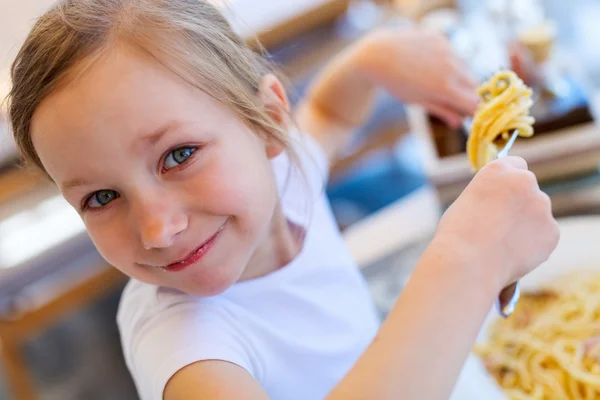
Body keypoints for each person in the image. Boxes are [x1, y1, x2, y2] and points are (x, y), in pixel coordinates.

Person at [7, 1, 559, 399]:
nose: (157, 229)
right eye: (102, 196)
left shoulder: (285, 179)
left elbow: (328, 116)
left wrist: (367, 61)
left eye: (178, 156)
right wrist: (465, 261)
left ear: (269, 122)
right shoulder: (183, 346)